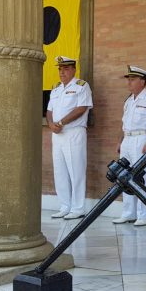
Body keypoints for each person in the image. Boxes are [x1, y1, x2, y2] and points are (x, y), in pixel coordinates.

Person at [113, 65, 146, 227]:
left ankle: (143, 214)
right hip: (128, 139)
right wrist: (121, 140)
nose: (129, 82)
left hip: (142, 139)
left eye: (132, 79)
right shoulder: (128, 100)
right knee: (124, 176)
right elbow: (125, 124)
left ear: (142, 81)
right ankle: (128, 213)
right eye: (128, 79)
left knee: (141, 177)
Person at [46, 56, 92, 220]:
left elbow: (82, 108)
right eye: (59, 69)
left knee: (76, 170)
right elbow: (49, 109)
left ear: (73, 69)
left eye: (65, 68)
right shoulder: (56, 88)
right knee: (60, 171)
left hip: (73, 132)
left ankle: (78, 207)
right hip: (57, 134)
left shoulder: (81, 86)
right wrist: (51, 123)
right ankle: (65, 205)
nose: (62, 72)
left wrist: (61, 122)